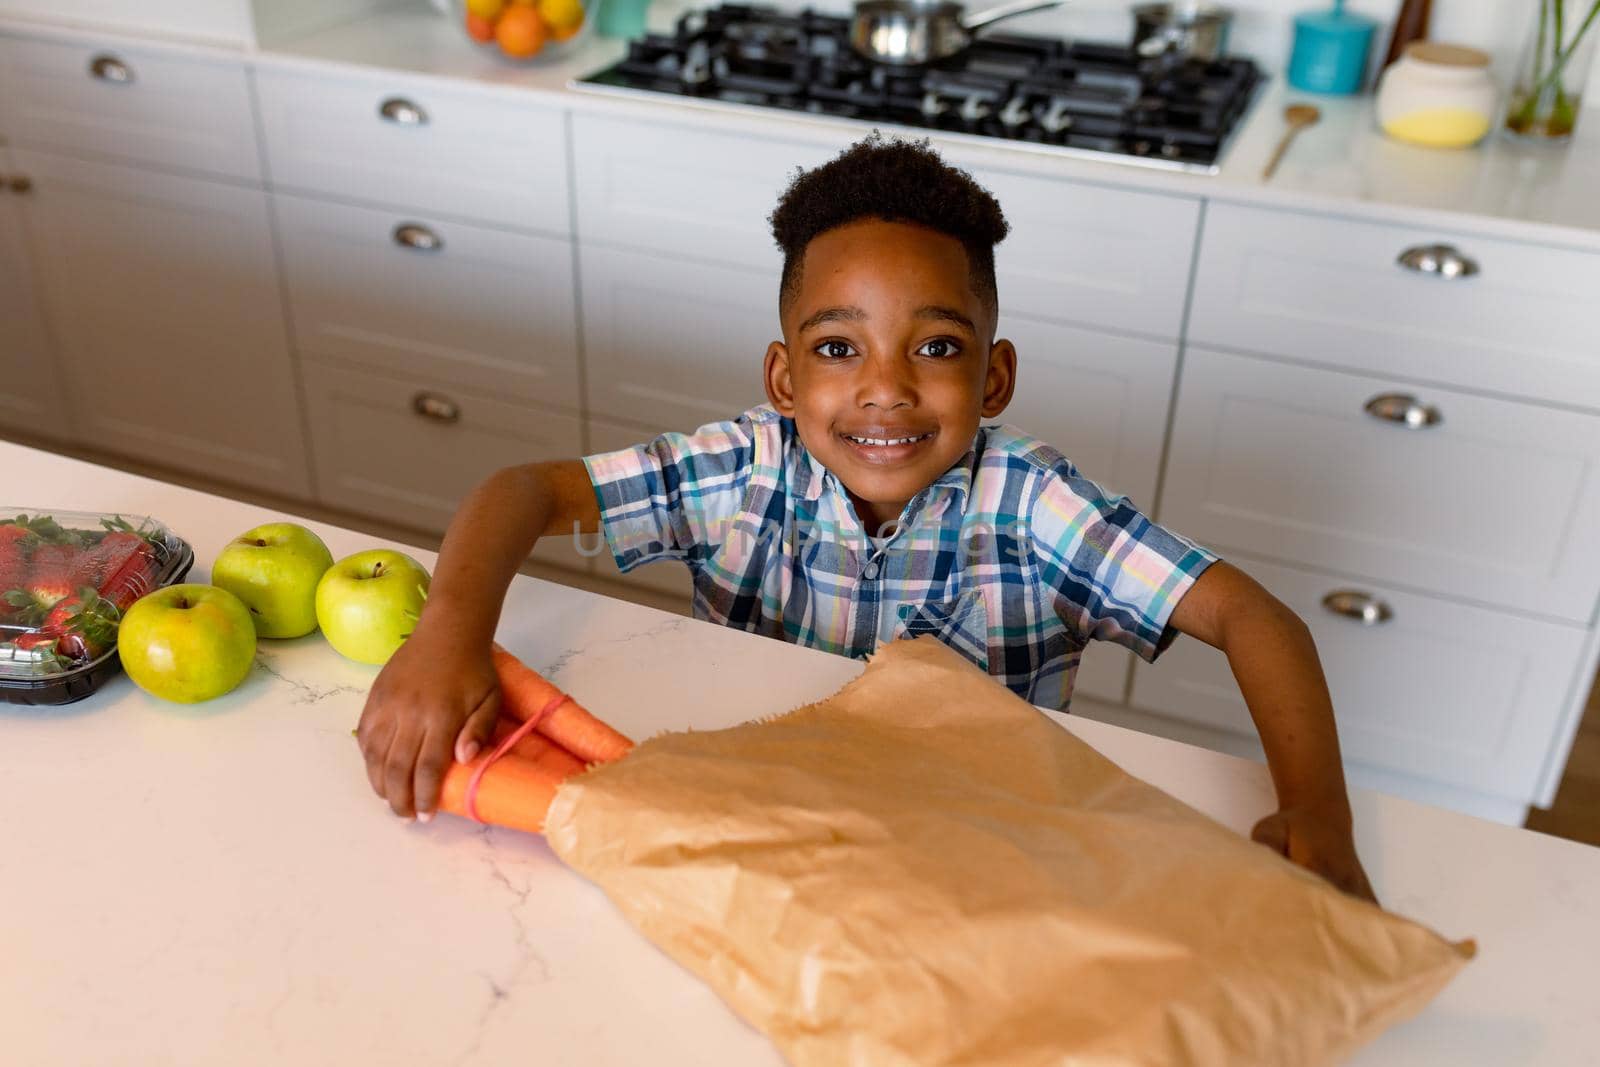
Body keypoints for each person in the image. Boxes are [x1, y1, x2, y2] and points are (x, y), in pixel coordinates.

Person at [357, 134, 1376, 902]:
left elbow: (1255, 617)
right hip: (760, 833)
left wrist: (1317, 815)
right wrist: (449, 633)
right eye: (839, 348)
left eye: (934, 347)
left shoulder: (1035, 501)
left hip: (981, 851)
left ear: (994, 375)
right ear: (783, 374)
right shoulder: (744, 464)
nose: (884, 390)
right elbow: (522, 490)